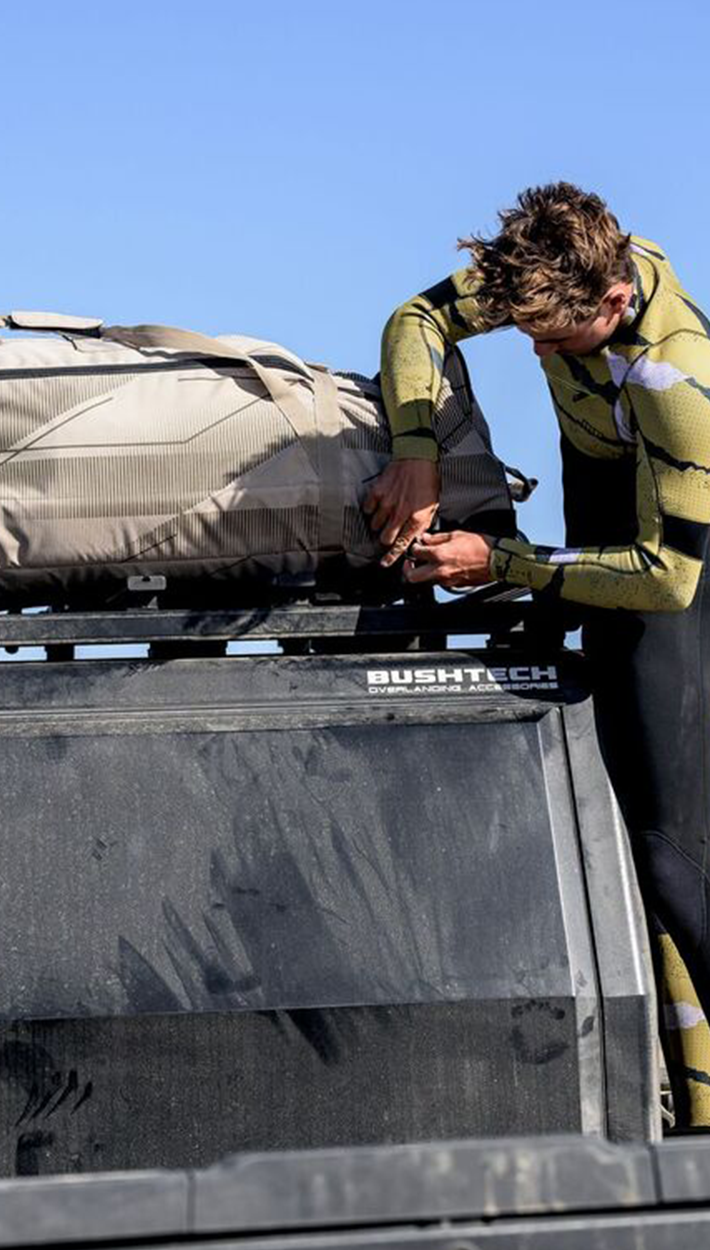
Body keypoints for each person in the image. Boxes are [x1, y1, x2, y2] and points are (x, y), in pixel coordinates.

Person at [366, 182, 710, 1118]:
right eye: (524, 332)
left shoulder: (674, 380)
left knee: (675, 858)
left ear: (614, 302)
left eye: (555, 342)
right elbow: (417, 318)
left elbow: (667, 578)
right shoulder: (558, 276)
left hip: (675, 577)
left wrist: (502, 563)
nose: (537, 353)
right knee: (640, 852)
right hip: (603, 546)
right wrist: (416, 450)